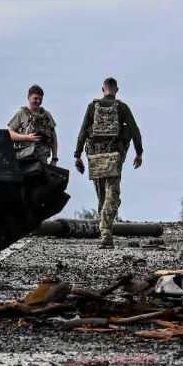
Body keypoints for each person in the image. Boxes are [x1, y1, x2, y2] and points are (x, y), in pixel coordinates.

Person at [74, 77, 143, 248]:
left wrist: (77, 155)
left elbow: (83, 131)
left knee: (102, 196)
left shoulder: (92, 106)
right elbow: (135, 131)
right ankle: (106, 232)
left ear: (102, 89)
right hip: (114, 155)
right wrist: (139, 153)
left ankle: (104, 232)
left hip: (95, 155)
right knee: (112, 195)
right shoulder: (122, 107)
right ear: (116, 90)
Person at [7, 85, 58, 165]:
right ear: (28, 97)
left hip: (42, 159)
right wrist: (27, 137)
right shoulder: (21, 114)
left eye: (40, 99)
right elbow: (9, 134)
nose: (38, 101)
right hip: (24, 159)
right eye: (35, 98)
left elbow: (53, 138)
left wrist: (54, 159)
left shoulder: (46, 115)